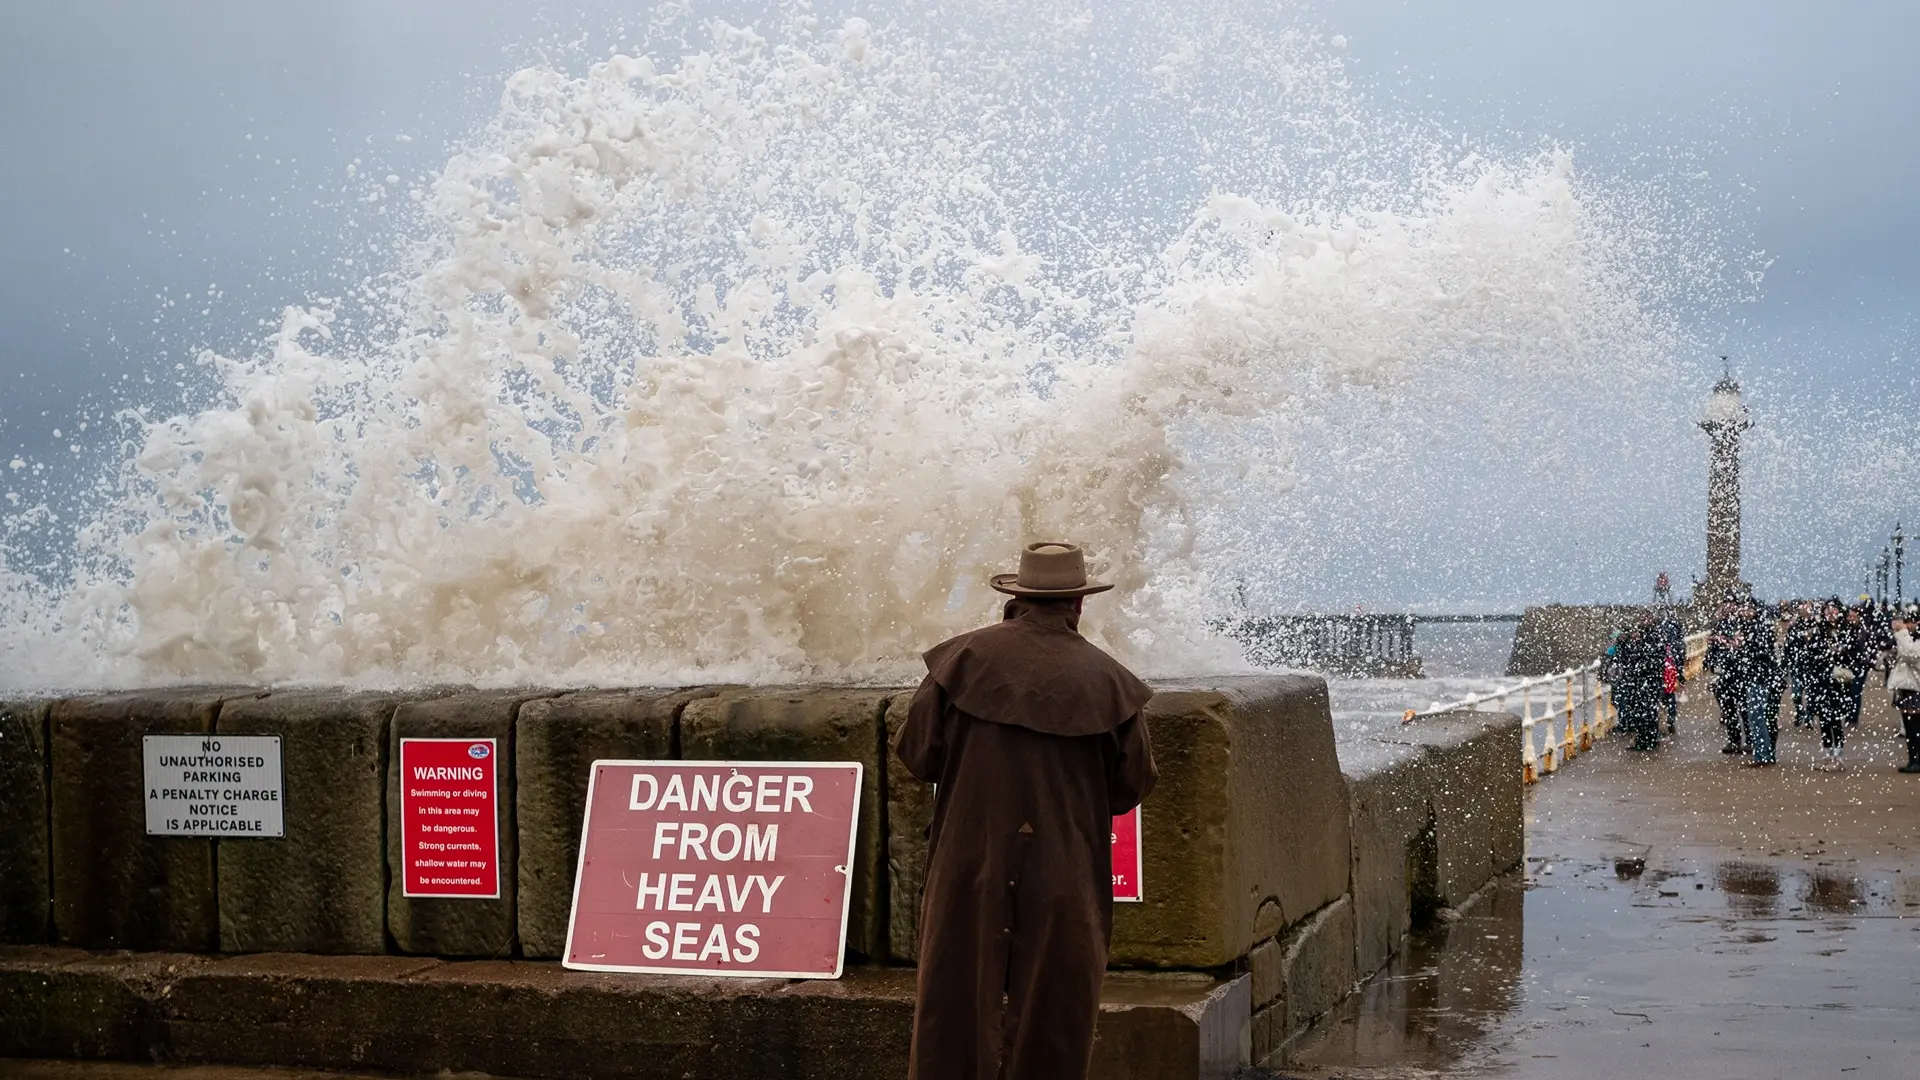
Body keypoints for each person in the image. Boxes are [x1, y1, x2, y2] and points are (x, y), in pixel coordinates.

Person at [895, 541, 1157, 1080]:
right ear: (1078, 605)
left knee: (953, 1008)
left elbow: (918, 755)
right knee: (1055, 1019)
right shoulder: (1109, 681)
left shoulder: (961, 661)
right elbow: (1130, 787)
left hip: (970, 864)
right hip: (1065, 873)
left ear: (1014, 598)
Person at [1727, 597, 1780, 766]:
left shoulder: (1758, 628)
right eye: (1744, 608)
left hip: (1760, 678)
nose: (1745, 611)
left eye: (1749, 608)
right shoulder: (1749, 627)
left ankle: (1762, 755)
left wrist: (1744, 645)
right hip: (1757, 677)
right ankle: (1767, 754)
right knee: (1762, 718)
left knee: (1758, 718)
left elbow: (1763, 652)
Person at [1889, 610, 1920, 774]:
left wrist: (1901, 633)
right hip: (1908, 687)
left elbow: (1911, 655)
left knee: (1915, 727)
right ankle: (1913, 760)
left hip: (1915, 688)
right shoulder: (1911, 638)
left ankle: (1916, 761)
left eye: (1911, 623)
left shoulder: (1912, 639)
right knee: (1909, 728)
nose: (1908, 626)